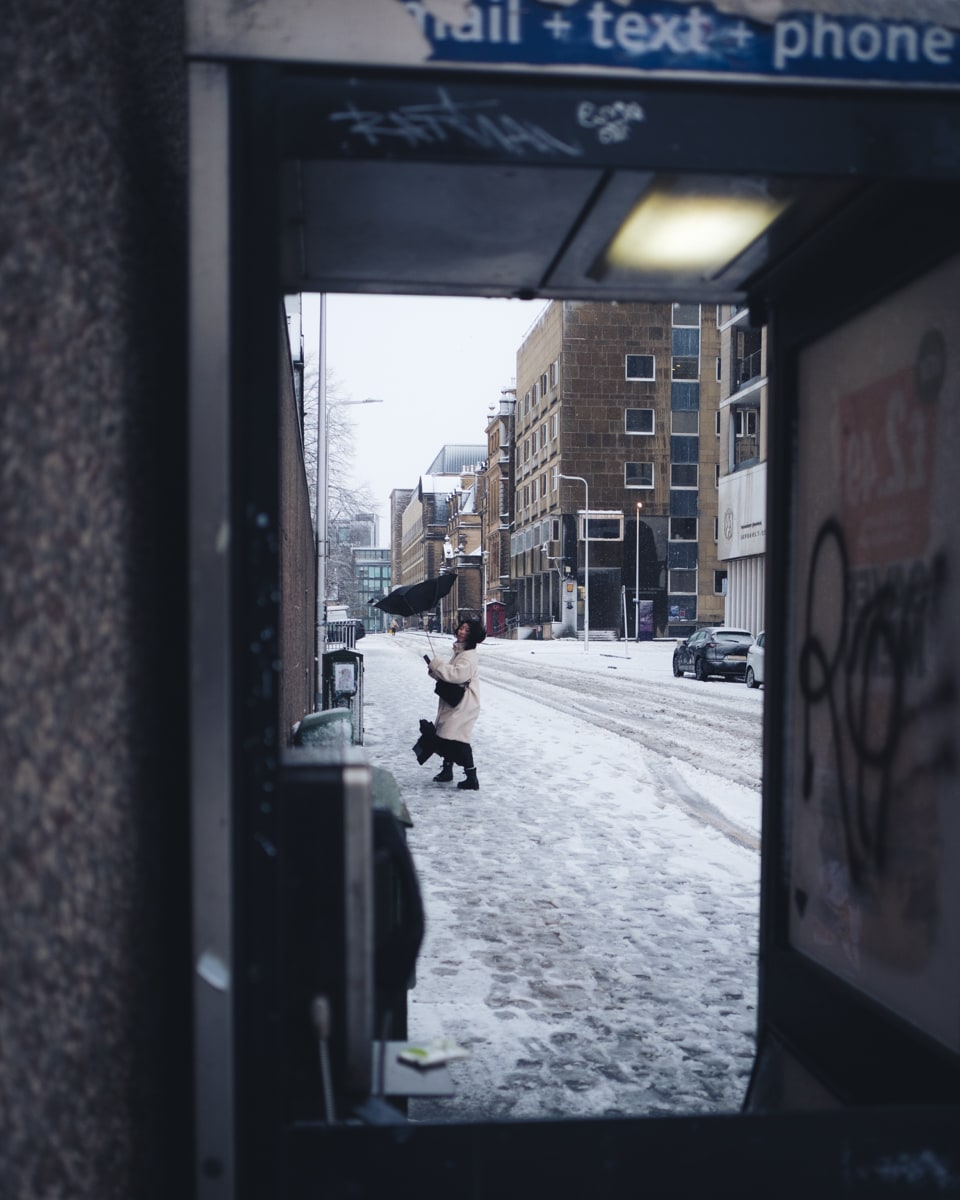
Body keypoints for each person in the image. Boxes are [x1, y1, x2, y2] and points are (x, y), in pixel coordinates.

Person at [424, 617, 485, 790]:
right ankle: (447, 771)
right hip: (456, 702)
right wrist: (435, 670)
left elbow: (458, 675)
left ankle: (472, 778)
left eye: (466, 630)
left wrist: (438, 665)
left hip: (464, 704)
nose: (461, 631)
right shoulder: (460, 652)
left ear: (472, 635)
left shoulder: (468, 655)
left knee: (458, 739)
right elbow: (449, 676)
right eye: (461, 628)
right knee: (447, 737)